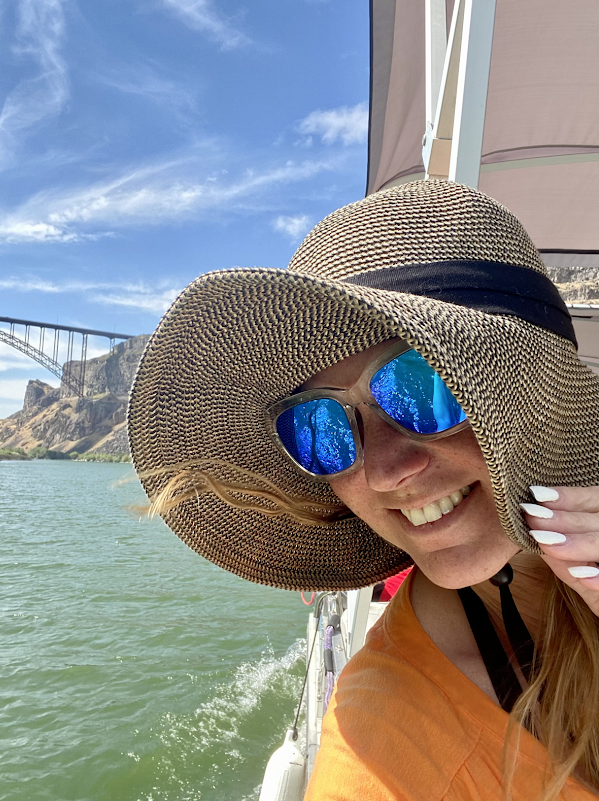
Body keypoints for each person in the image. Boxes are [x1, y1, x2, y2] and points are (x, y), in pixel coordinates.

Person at [127, 180, 599, 800]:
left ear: (530, 387)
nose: (384, 471)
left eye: (421, 387)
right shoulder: (383, 742)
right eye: (319, 430)